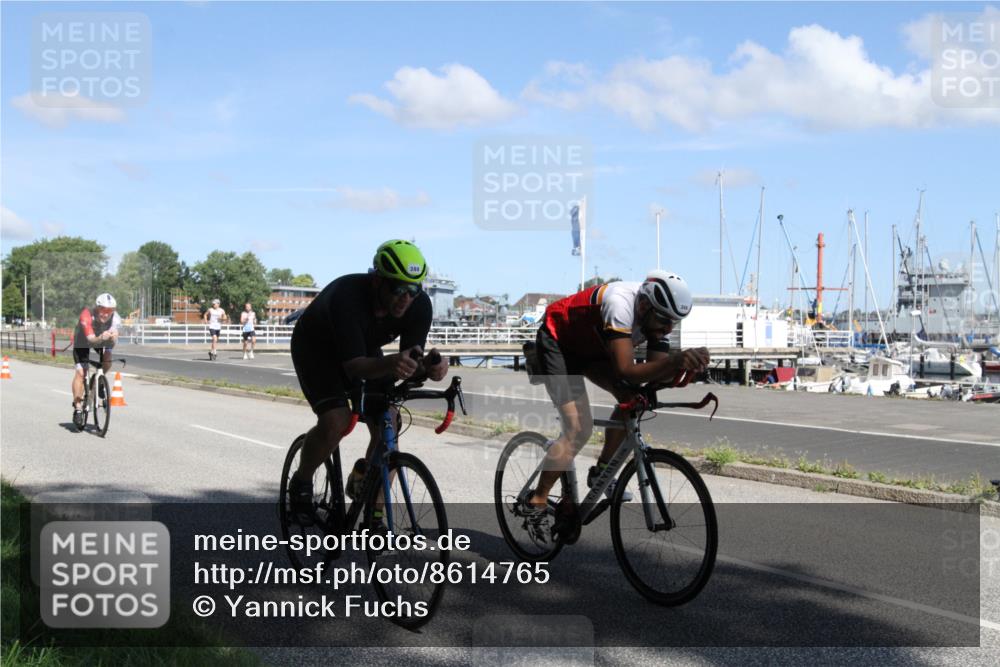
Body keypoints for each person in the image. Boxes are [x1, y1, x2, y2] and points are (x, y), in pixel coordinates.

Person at [527, 270, 710, 539]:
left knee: (635, 400)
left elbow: (652, 373)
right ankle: (537, 500)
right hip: (559, 343)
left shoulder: (657, 317)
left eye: (674, 322)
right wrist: (673, 362)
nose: (668, 329)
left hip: (593, 347)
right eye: (663, 320)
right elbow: (625, 370)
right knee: (578, 429)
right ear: (645, 305)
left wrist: (686, 368)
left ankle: (601, 472)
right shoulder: (619, 303)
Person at [288, 239, 448, 525]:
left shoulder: (418, 305)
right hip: (317, 350)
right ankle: (300, 483)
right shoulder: (348, 296)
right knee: (336, 421)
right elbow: (355, 366)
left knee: (390, 419)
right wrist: (390, 364)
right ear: (377, 281)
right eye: (398, 288)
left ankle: (373, 507)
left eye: (413, 289)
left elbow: (411, 360)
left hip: (361, 349)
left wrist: (429, 368)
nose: (406, 298)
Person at [71, 293, 121, 427]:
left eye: (109, 311)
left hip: (102, 339)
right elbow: (92, 340)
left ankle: (99, 381)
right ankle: (78, 407)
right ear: (97, 308)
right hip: (84, 340)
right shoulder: (86, 316)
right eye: (103, 310)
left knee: (107, 358)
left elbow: (114, 339)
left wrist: (113, 337)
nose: (106, 314)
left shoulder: (115, 319)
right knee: (81, 373)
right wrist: (102, 338)